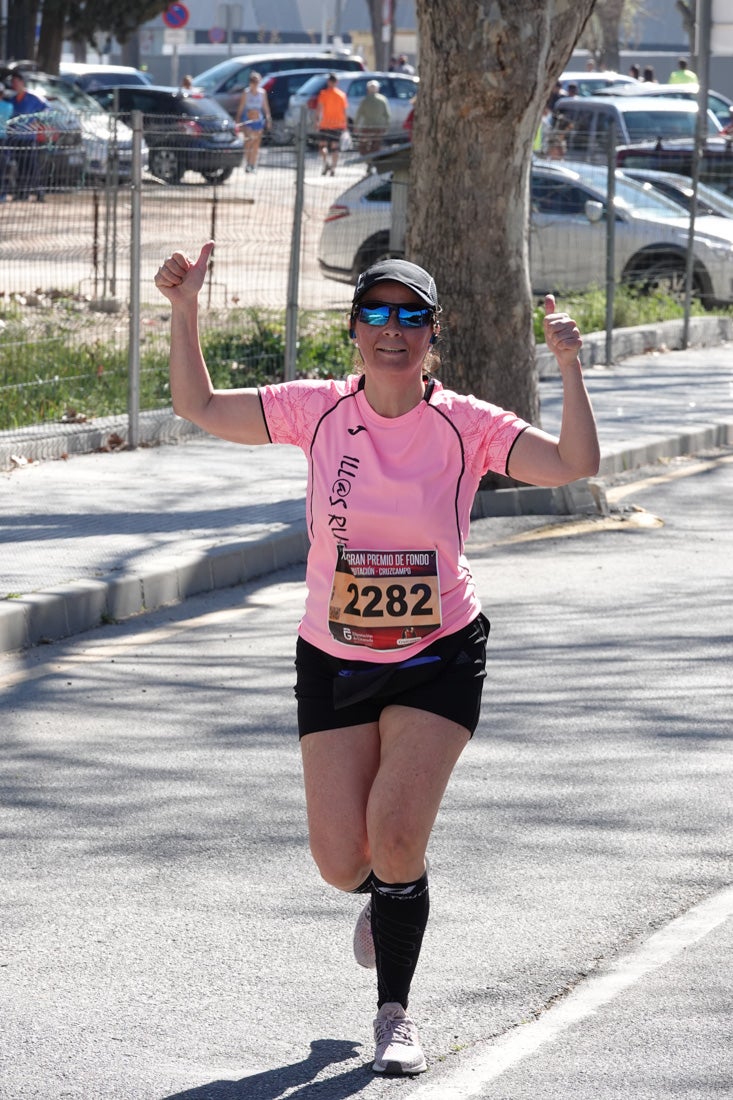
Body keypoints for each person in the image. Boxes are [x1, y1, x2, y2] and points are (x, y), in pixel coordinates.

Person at [153, 245, 600, 1076]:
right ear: (355, 327)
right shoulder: (317, 409)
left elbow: (574, 464)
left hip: (438, 652)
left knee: (395, 834)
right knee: (341, 860)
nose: (393, 332)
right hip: (334, 654)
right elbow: (200, 405)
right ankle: (388, 896)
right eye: (378, 315)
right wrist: (185, 312)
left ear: (435, 331)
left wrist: (569, 368)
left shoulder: (468, 424)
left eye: (411, 317)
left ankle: (393, 1012)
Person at [7, 69, 48, 202]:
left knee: (32, 166)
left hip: (29, 138)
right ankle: (22, 193)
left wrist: (38, 123)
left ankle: (39, 193)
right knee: (20, 166)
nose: (14, 84)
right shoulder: (12, 100)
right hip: (16, 138)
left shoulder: (32, 98)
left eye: (17, 81)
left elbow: (46, 109)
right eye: (12, 82)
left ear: (22, 82)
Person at [235, 71, 271, 173]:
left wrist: (268, 119)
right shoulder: (246, 93)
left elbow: (265, 107)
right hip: (248, 119)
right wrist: (238, 119)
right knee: (249, 141)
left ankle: (253, 164)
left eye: (256, 81)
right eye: (252, 81)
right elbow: (241, 106)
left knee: (256, 143)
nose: (254, 83)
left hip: (258, 119)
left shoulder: (262, 93)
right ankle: (248, 163)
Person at [353, 80, 391, 168]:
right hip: (379, 128)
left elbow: (359, 114)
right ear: (377, 89)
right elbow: (387, 115)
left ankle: (368, 161)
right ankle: (373, 161)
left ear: (368, 89)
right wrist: (386, 127)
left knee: (363, 146)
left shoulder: (365, 100)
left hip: (367, 128)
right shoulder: (383, 100)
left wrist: (356, 126)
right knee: (376, 146)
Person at [316, 73, 348, 176]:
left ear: (328, 82)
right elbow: (344, 111)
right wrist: (345, 124)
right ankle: (333, 168)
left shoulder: (323, 94)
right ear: (336, 82)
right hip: (337, 124)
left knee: (322, 146)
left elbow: (319, 109)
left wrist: (317, 121)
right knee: (335, 147)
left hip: (325, 124)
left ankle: (326, 163)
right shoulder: (341, 95)